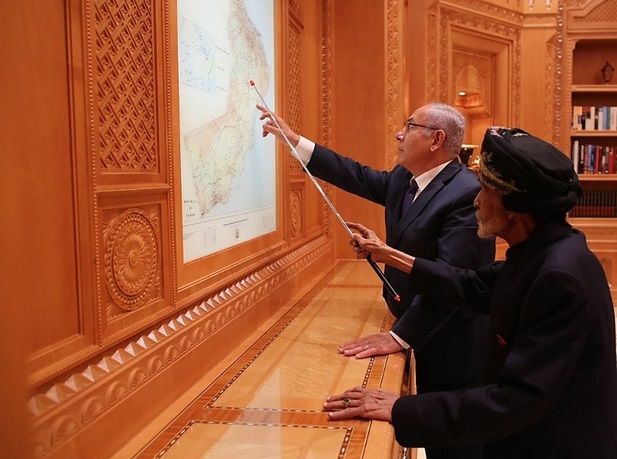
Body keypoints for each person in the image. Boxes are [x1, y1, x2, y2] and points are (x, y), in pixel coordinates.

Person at [323, 127, 617, 458]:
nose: (476, 200)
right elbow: (473, 286)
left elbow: (516, 400)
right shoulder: (541, 251)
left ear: (513, 205)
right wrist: (389, 255)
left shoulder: (559, 276)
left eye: (485, 189)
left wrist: (401, 408)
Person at [259, 102, 495, 459]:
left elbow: (453, 282)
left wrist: (398, 337)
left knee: (453, 441)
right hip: (414, 318)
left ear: (436, 140)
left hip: (452, 341)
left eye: (410, 126)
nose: (399, 134)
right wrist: (295, 140)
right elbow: (355, 175)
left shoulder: (465, 193)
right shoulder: (404, 178)